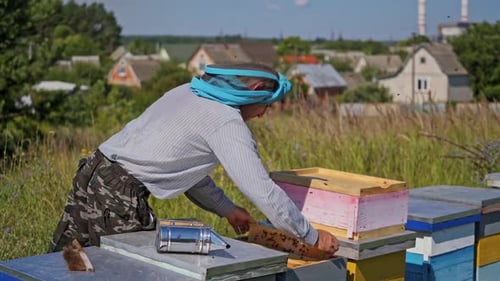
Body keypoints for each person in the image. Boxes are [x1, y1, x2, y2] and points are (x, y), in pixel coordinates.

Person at [48, 62, 339, 255]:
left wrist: (226, 209)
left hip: (93, 172)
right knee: (132, 269)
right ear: (253, 93)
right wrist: (312, 236)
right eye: (266, 105)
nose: (263, 114)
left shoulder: (188, 91)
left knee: (69, 263)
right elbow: (262, 191)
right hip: (118, 193)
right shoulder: (225, 122)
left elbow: (181, 170)